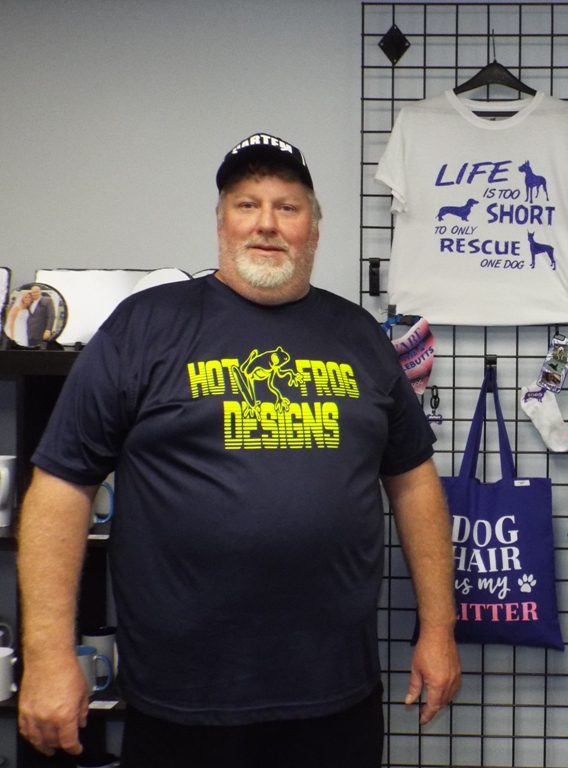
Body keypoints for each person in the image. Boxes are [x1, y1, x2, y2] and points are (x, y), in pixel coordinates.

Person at [16, 133, 461, 768]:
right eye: (247, 204)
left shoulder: (360, 336)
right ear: (221, 221)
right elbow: (61, 488)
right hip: (182, 699)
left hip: (335, 695)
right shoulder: (144, 327)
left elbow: (415, 484)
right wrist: (48, 656)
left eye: (288, 206)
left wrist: (438, 630)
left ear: (314, 228)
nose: (267, 223)